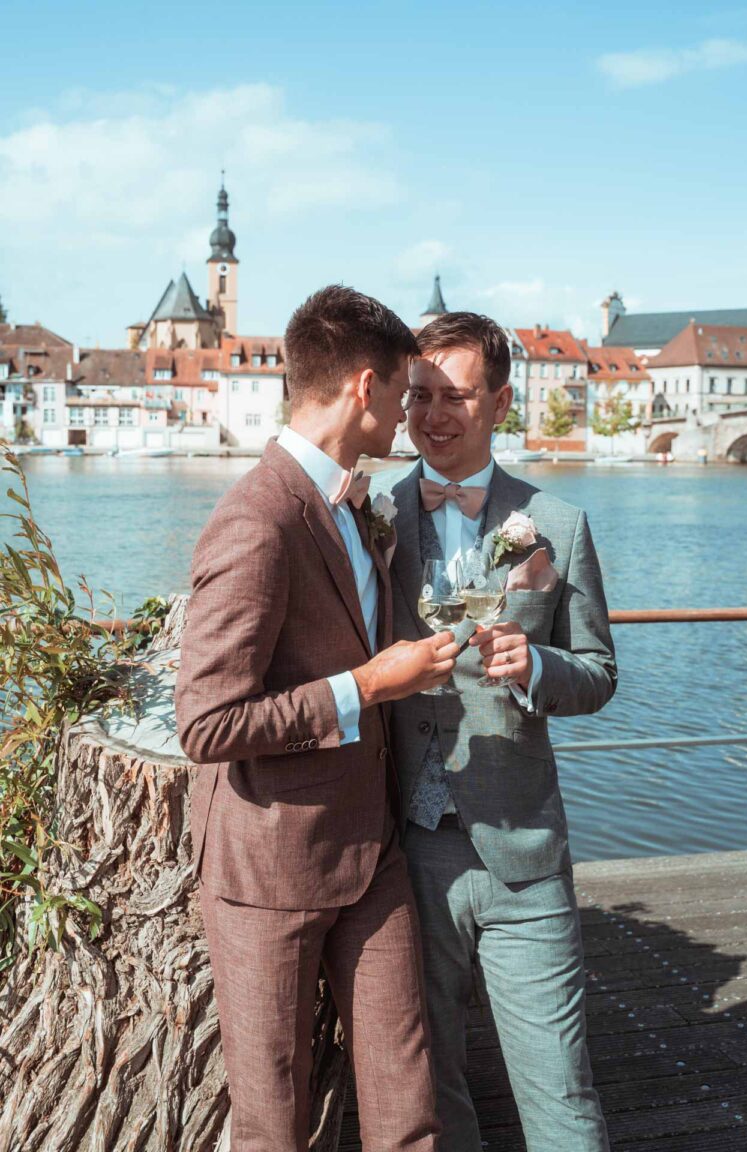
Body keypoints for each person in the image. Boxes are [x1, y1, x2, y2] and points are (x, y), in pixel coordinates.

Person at [175, 285, 459, 1152]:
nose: (413, 414)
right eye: (408, 391)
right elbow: (208, 722)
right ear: (365, 388)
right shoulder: (256, 520)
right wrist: (367, 686)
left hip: (371, 852)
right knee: (273, 1124)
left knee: (408, 1107)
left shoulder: (353, 504)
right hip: (268, 870)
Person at [372, 311, 617, 1152]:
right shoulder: (367, 516)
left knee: (561, 1097)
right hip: (401, 853)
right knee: (431, 1101)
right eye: (420, 396)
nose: (434, 416)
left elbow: (600, 673)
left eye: (458, 397)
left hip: (523, 852)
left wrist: (539, 668)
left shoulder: (558, 523)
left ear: (502, 402)